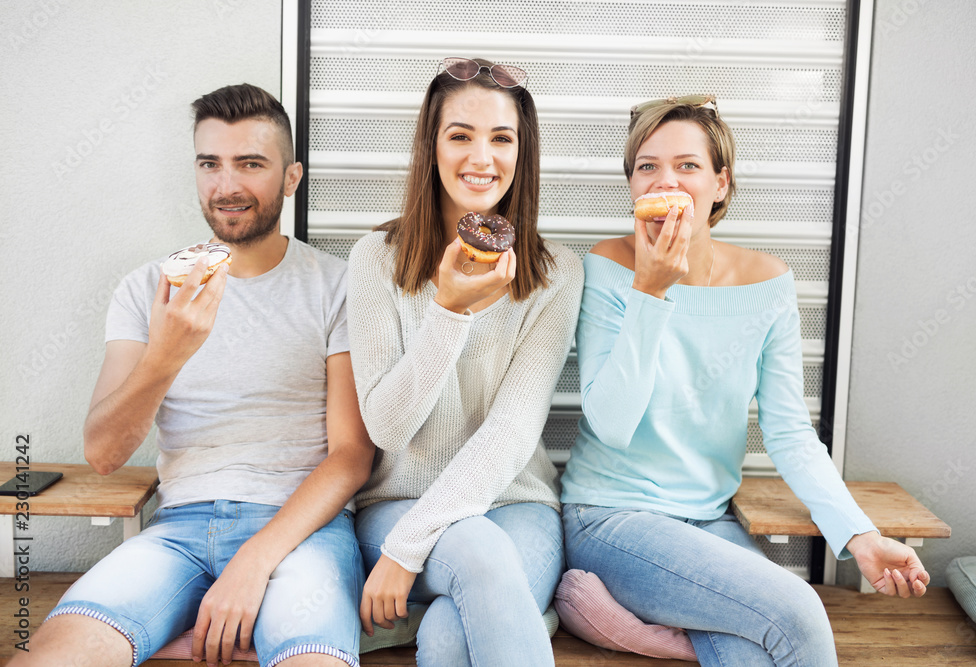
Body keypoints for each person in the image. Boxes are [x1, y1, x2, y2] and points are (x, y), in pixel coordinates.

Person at [559, 96, 931, 667]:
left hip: (710, 520)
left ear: (721, 184)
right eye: (647, 166)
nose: (667, 180)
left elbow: (789, 433)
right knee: (797, 610)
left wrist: (860, 536)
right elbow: (611, 425)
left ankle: (636, 633)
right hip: (610, 518)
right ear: (632, 185)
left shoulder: (769, 283)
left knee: (750, 645)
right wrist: (651, 290)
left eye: (688, 165)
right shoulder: (607, 267)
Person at [14, 84, 374, 667]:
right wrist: (167, 353)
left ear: (291, 177)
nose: (226, 186)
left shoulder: (338, 287)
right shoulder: (145, 289)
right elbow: (104, 454)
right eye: (211, 164)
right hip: (177, 530)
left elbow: (352, 456)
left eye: (250, 164)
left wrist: (252, 563)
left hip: (302, 534)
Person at [347, 57, 583, 666]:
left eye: (501, 138)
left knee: (452, 635)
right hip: (396, 504)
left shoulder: (555, 272)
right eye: (461, 136)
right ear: (431, 147)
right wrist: (449, 314)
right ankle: (529, 617)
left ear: (522, 153)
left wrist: (408, 554)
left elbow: (512, 434)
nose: (482, 158)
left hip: (516, 504)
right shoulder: (376, 258)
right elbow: (387, 429)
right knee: (477, 553)